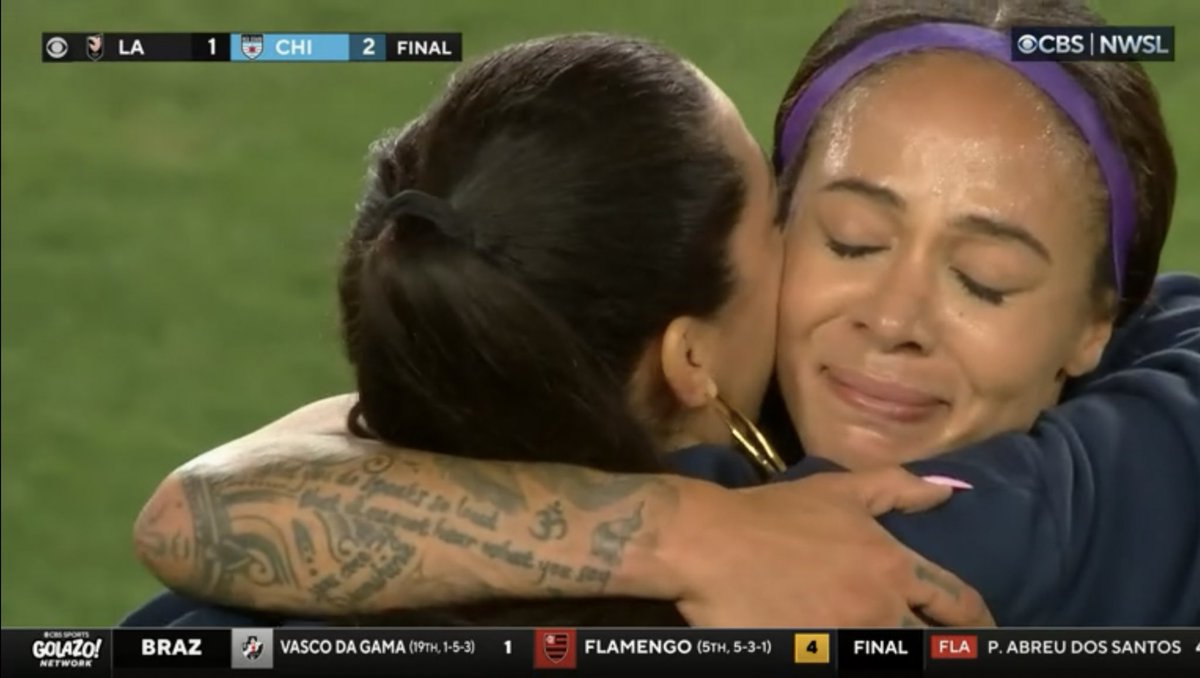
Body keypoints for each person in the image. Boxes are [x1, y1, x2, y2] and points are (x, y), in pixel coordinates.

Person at [130, 0, 1199, 627]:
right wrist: (704, 538)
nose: (896, 315)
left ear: (1100, 320)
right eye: (851, 243)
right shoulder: (864, 541)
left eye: (985, 280)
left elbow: (202, 510)